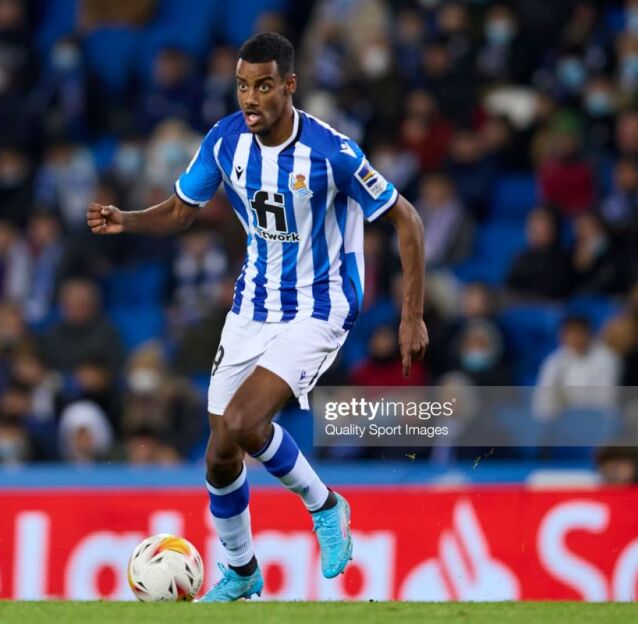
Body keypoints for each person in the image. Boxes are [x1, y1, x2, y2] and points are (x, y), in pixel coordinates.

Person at [86, 33, 428, 602]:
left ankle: (325, 505)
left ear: (289, 86)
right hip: (253, 305)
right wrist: (128, 219)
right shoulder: (225, 141)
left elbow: (407, 220)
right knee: (220, 452)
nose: (250, 97)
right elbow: (181, 210)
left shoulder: (332, 152)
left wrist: (411, 316)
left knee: (246, 423)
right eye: (243, 86)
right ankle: (243, 571)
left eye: (264, 86)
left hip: (320, 305)